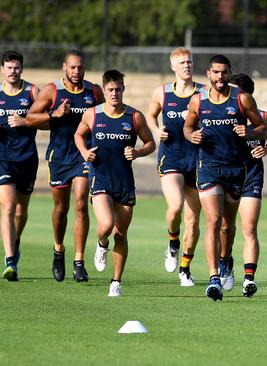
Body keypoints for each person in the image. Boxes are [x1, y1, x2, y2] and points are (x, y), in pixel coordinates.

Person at [183, 55, 266, 301]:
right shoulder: (198, 100)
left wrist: (249, 130)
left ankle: (226, 258)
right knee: (214, 221)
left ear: (229, 74)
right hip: (208, 167)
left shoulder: (242, 99)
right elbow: (187, 127)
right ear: (208, 73)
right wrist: (192, 136)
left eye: (224, 72)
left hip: (235, 169)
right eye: (216, 72)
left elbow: (263, 128)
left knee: (228, 227)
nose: (220, 77)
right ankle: (214, 279)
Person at [74, 69, 155, 297]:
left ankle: (116, 281)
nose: (114, 93)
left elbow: (151, 143)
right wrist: (84, 152)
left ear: (123, 89)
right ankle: (101, 244)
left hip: (124, 181)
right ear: (104, 90)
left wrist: (138, 152)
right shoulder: (93, 114)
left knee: (121, 234)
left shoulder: (134, 117)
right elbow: (78, 135)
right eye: (110, 89)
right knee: (107, 225)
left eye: (118, 89)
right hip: (100, 177)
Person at [26, 49, 103, 282]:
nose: (77, 71)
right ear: (64, 67)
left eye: (80, 67)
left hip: (84, 155)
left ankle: (79, 261)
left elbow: (105, 116)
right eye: (72, 67)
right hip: (59, 157)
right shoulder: (53, 90)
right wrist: (54, 113)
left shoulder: (93, 91)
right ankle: (58, 249)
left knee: (81, 203)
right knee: (61, 208)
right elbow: (30, 117)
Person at [145, 47, 203, 287]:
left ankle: (185, 268)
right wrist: (157, 130)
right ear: (173, 67)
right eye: (181, 63)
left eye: (189, 62)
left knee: (193, 220)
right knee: (176, 205)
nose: (186, 66)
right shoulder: (163, 92)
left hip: (198, 159)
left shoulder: (203, 93)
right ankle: (172, 242)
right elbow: (150, 115)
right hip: (171, 157)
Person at [218, 73, 267, 297]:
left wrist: (266, 148)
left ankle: (248, 279)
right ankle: (225, 259)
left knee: (249, 228)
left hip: (252, 177)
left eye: (234, 91)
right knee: (226, 227)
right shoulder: (222, 115)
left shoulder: (262, 117)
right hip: (226, 176)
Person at [0, 50, 41, 281]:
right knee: (7, 206)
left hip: (27, 159)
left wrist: (25, 120)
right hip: (3, 159)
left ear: (21, 69)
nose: (13, 71)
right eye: (9, 67)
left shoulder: (32, 92)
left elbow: (47, 120)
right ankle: (9, 261)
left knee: (20, 211)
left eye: (16, 67)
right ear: (2, 69)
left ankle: (15, 243)